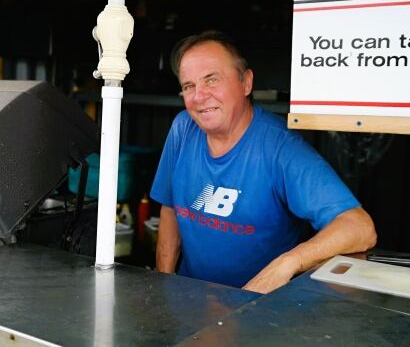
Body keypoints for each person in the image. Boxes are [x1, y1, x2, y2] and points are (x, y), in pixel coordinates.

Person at [150, 30, 376, 294]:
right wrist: (163, 287)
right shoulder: (183, 128)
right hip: (190, 299)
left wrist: (287, 264)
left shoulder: (280, 146)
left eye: (211, 80)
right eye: (189, 86)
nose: (199, 96)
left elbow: (359, 227)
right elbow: (170, 210)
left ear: (246, 83)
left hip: (256, 311)